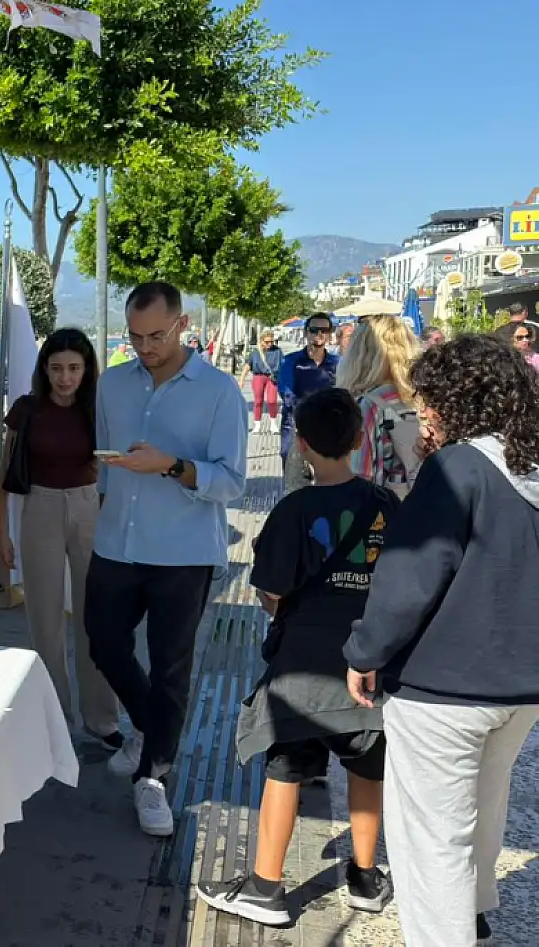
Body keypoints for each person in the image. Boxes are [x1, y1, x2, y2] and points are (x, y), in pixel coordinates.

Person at [343, 335, 539, 947]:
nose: (423, 411)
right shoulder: (529, 466)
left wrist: (364, 651)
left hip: (443, 687)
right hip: (523, 684)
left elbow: (410, 577)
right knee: (486, 808)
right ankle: (476, 915)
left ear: (459, 399)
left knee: (433, 840)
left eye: (429, 399)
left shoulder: (457, 469)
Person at [197, 388, 396, 926]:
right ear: (359, 439)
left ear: (301, 446)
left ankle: (266, 887)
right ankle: (364, 876)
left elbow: (271, 591)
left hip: (302, 665)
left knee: (285, 766)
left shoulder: (293, 511)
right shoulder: (384, 505)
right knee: (366, 766)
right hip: (369, 662)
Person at [87, 281, 247, 837]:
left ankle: (153, 778)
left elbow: (232, 482)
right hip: (117, 543)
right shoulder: (111, 385)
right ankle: (151, 728)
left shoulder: (220, 392)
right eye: (134, 336)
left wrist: (172, 465)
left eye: (156, 335)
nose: (145, 347)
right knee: (102, 642)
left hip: (183, 552)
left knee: (171, 666)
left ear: (181, 324)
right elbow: (107, 462)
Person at [0, 329, 121, 745]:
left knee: (95, 619)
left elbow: (114, 467)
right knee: (44, 622)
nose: (65, 378)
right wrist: (2, 535)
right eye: (56, 368)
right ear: (44, 370)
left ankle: (102, 720)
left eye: (73, 368)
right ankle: (55, 722)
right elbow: (5, 472)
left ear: (86, 370)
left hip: (89, 508)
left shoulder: (99, 408)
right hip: (40, 509)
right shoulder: (27, 410)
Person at [339, 314, 423, 499]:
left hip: (389, 517)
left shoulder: (370, 404)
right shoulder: (423, 397)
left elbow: (361, 476)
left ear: (361, 355)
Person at [277, 313, 341, 493]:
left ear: (330, 334)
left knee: (330, 487)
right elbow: (286, 393)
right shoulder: (291, 361)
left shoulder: (337, 364)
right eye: (314, 330)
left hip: (330, 431)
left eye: (324, 330)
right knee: (294, 487)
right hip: (296, 429)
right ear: (306, 333)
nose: (319, 334)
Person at [244, 331, 283, 434]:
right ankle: (257, 425)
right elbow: (248, 365)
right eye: (267, 342)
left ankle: (273, 425)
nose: (270, 344)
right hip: (258, 377)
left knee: (272, 401)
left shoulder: (277, 351)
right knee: (258, 401)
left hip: (272, 377)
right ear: (261, 341)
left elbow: (283, 365)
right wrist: (241, 379)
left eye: (271, 341)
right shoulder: (255, 352)